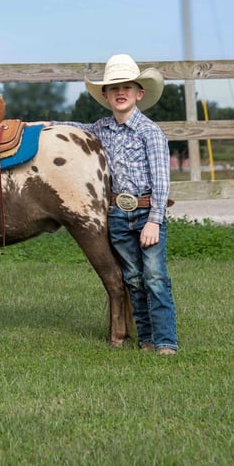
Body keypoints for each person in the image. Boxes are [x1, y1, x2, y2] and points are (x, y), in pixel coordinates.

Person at [59, 54, 178, 355]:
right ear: (105, 96)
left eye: (126, 87)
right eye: (113, 88)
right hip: (117, 215)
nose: (120, 92)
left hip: (146, 212)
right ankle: (146, 339)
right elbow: (73, 127)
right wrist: (37, 126)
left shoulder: (150, 133)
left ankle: (166, 341)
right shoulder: (101, 129)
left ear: (139, 93)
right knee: (133, 278)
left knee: (155, 277)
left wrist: (154, 220)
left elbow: (162, 181)